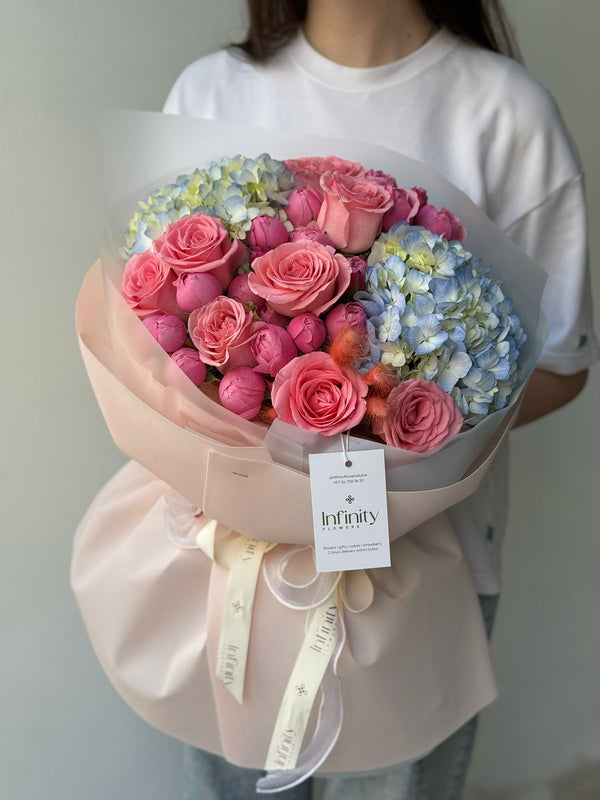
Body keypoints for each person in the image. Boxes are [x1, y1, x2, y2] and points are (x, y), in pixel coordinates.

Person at [162, 1, 599, 798]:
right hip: (238, 568)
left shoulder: (504, 111)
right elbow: (156, 344)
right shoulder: (213, 93)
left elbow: (564, 361)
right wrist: (277, 442)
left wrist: (391, 435)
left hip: (426, 572)